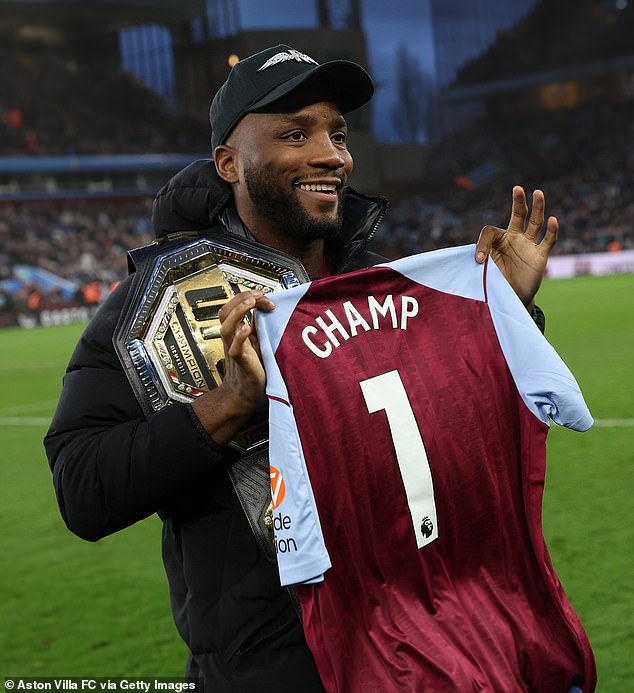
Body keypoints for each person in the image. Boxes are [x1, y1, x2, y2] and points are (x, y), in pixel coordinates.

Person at [44, 45, 577, 692]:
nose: (332, 154)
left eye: (338, 133)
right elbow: (82, 487)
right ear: (229, 163)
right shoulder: (154, 303)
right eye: (296, 133)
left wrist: (507, 312)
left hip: (425, 651)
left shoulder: (380, 286)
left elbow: (477, 425)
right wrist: (227, 407)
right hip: (270, 671)